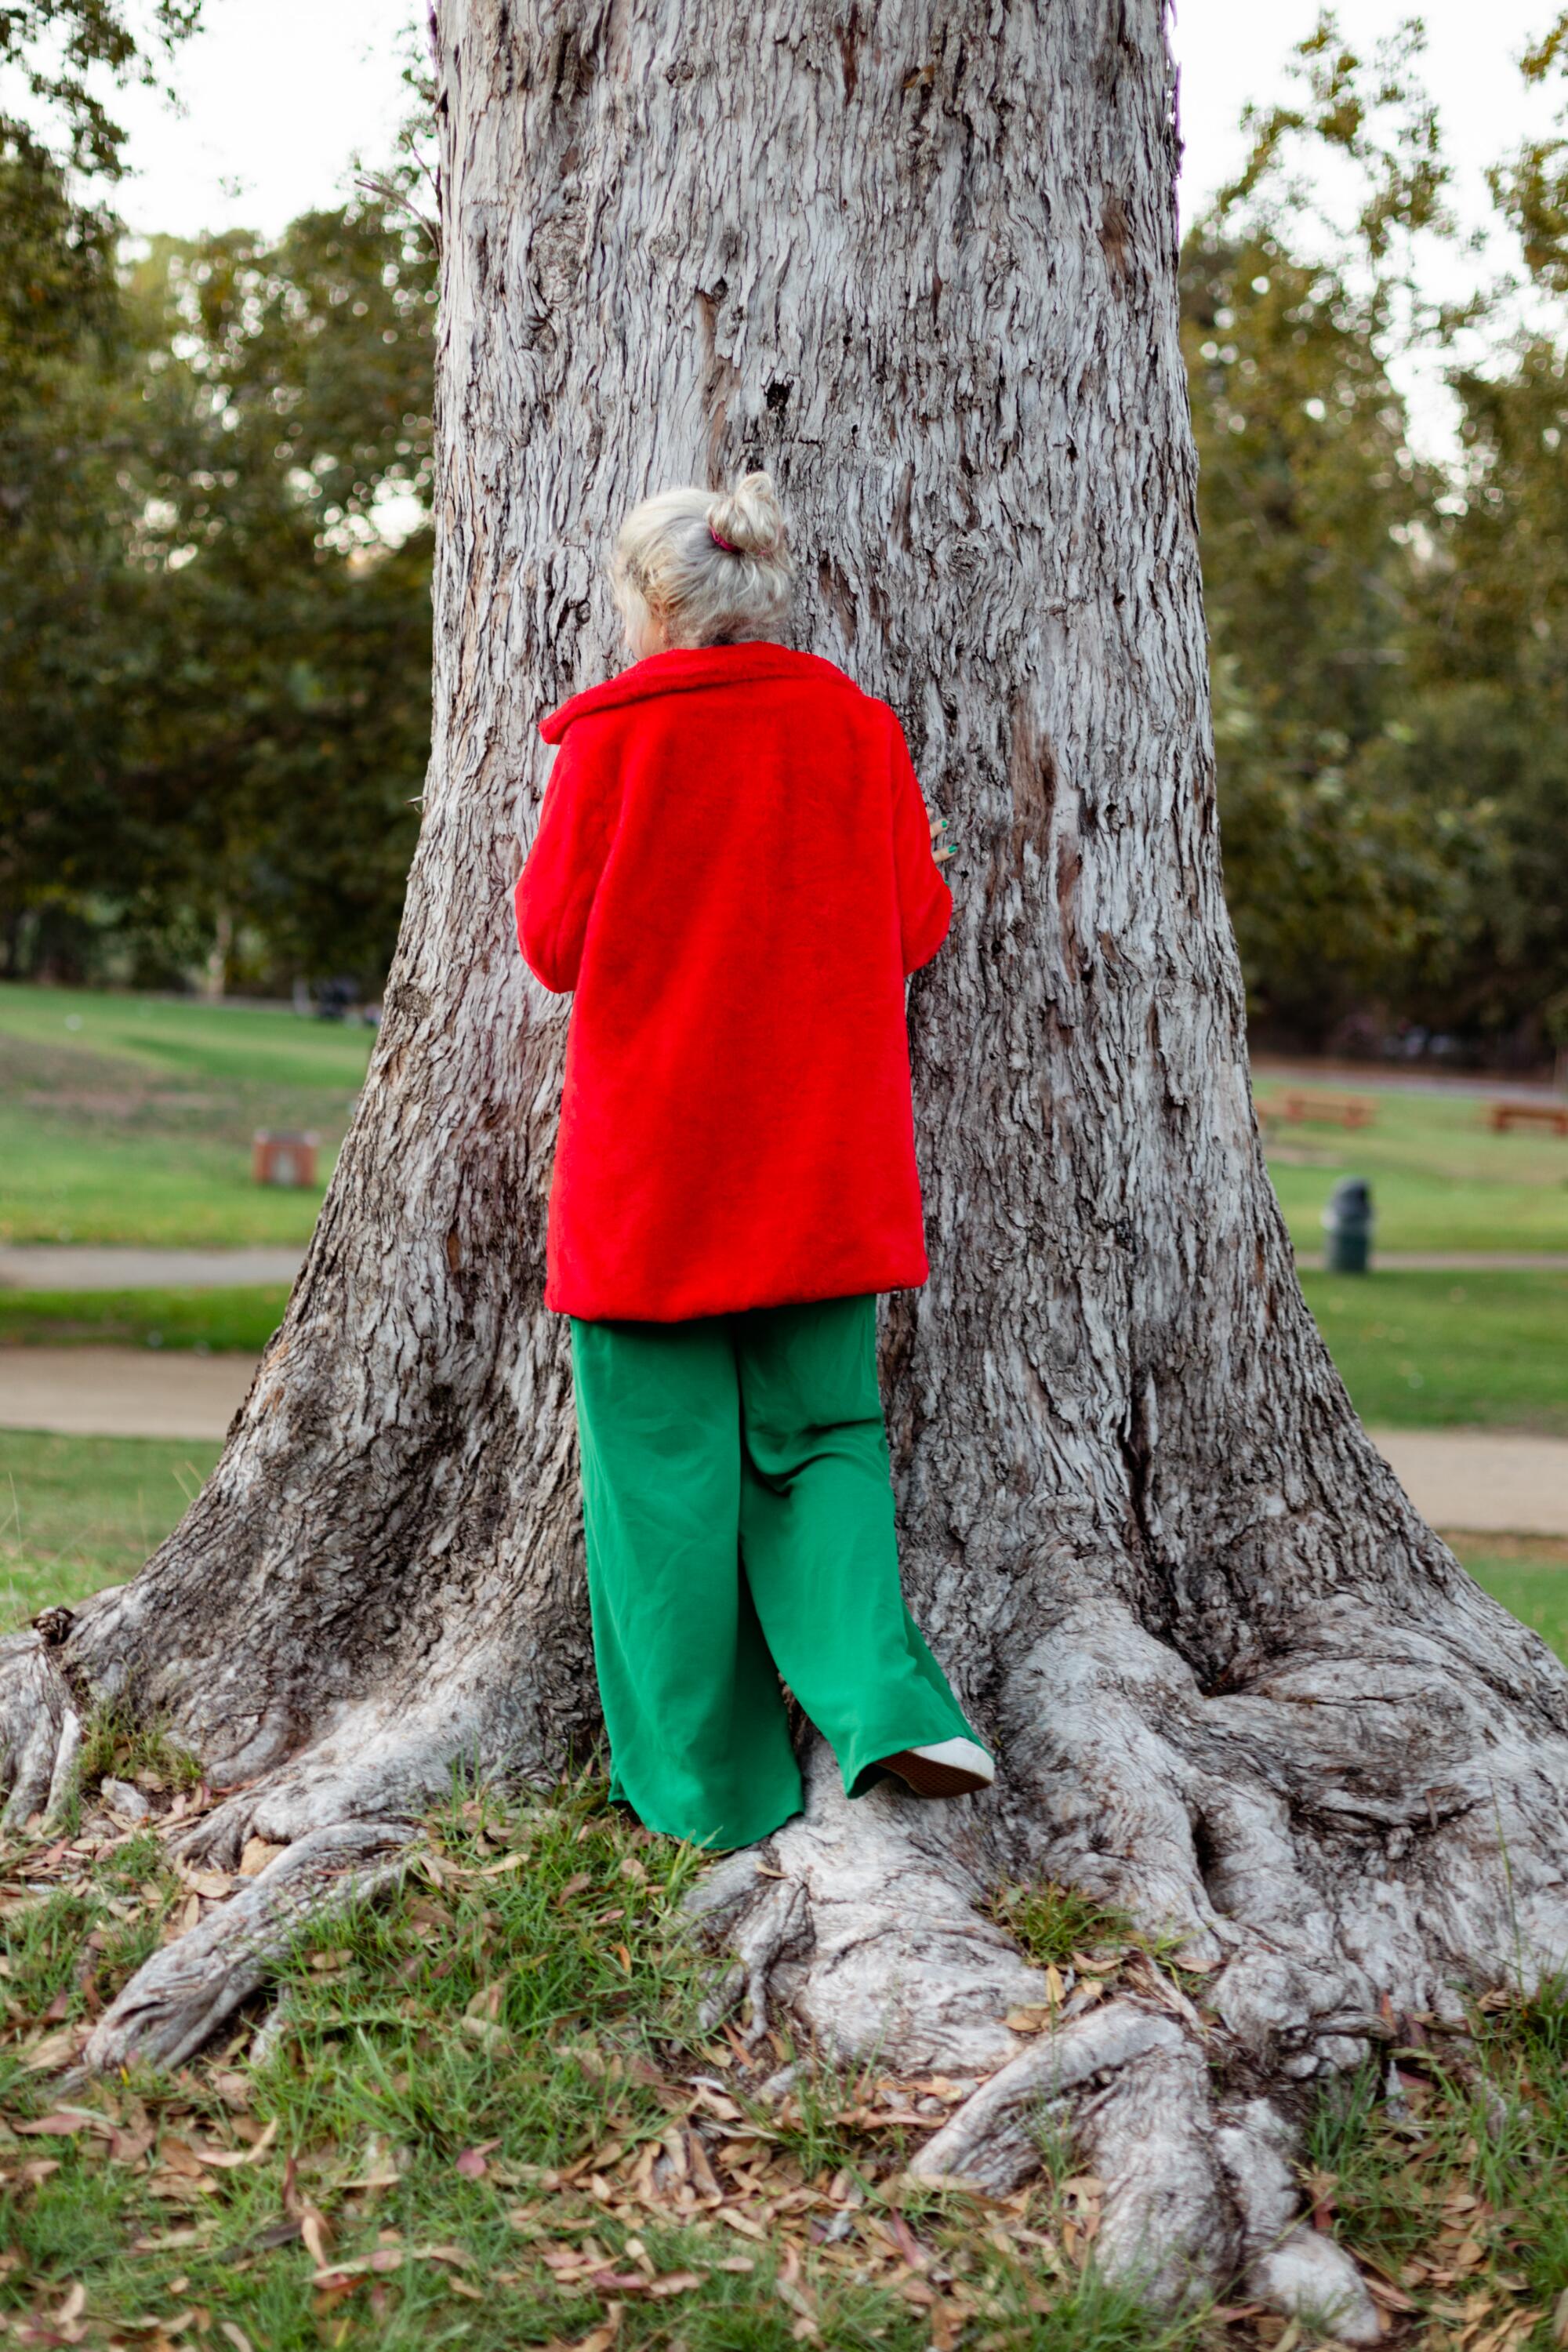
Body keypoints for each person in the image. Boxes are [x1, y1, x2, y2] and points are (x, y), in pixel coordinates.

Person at [514, 467, 994, 1850]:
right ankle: (890, 1702)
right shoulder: (856, 732)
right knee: (825, 1441)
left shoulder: (610, 744)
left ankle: (709, 1795)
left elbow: (551, 949)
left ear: (651, 604)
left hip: (650, 1177)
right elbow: (914, 926)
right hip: (819, 1169)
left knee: (663, 1478)